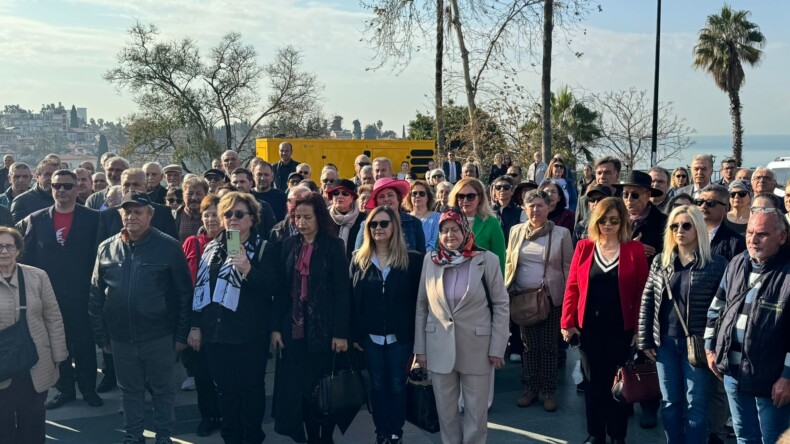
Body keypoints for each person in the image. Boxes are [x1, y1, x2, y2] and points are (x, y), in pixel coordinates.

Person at [89, 191, 193, 444]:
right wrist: (102, 336)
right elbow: (95, 295)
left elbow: (184, 295)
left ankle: (164, 436)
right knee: (129, 392)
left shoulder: (169, 247)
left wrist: (181, 335)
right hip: (121, 338)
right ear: (120, 214)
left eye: (138, 211)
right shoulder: (106, 247)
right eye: (128, 211)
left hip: (159, 337)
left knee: (163, 391)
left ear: (150, 214)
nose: (132, 216)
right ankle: (133, 436)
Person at [414, 209, 509, 444]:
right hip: (438, 347)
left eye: (454, 229)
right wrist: (420, 350)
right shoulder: (431, 260)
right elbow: (422, 306)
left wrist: (497, 347)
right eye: (444, 230)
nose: (449, 235)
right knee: (446, 412)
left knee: (476, 413)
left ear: (465, 231)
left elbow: (501, 304)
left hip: (478, 347)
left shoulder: (487, 260)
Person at [190, 192, 276, 444]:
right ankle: (232, 436)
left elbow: (271, 288)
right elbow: (200, 289)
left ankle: (252, 435)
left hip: (250, 334)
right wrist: (195, 325)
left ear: (252, 218)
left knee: (250, 389)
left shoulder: (263, 249)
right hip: (217, 332)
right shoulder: (211, 248)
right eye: (227, 214)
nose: (233, 218)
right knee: (226, 391)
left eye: (239, 214)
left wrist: (248, 269)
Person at [562, 197, 649, 444]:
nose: (608, 225)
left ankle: (618, 435)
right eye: (603, 220)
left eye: (613, 220)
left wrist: (638, 329)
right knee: (592, 383)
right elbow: (572, 287)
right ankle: (596, 433)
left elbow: (642, 291)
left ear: (622, 222)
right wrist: (567, 321)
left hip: (621, 329)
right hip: (589, 328)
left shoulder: (634, 250)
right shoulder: (584, 247)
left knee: (618, 383)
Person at [637, 205, 727, 444]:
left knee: (695, 404)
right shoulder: (661, 261)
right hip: (664, 343)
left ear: (698, 227)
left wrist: (713, 344)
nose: (680, 231)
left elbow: (722, 310)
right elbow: (648, 300)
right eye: (675, 226)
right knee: (669, 403)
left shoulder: (716, 264)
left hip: (696, 345)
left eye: (686, 225)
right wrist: (645, 338)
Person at [704, 209, 790, 444]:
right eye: (750, 232)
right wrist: (710, 347)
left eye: (762, 234)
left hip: (772, 377)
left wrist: (787, 376)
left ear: (781, 237)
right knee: (744, 436)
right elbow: (716, 307)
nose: (753, 239)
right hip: (732, 371)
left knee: (773, 439)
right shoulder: (737, 262)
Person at [271, 193, 351, 444]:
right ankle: (309, 436)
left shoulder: (333, 245)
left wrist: (341, 332)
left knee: (323, 389)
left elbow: (342, 292)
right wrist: (275, 328)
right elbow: (281, 291)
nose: (301, 222)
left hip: (324, 331)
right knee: (300, 390)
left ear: (319, 217)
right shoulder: (288, 244)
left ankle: (325, 437)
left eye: (307, 217)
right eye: (297, 217)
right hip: (293, 331)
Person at [19, 170, 102, 410]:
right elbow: (28, 259)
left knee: (84, 343)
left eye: (67, 186)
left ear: (77, 188)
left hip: (84, 293)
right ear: (50, 188)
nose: (62, 191)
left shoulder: (94, 218)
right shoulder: (36, 219)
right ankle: (65, 389)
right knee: (57, 344)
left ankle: (88, 389)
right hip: (49, 296)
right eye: (57, 186)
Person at [350, 206, 423, 444]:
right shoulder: (358, 260)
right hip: (370, 338)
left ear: (394, 227)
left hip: (400, 338)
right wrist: (355, 334)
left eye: (383, 223)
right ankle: (381, 432)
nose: (378, 228)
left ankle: (396, 432)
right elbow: (351, 301)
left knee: (396, 386)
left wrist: (418, 338)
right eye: (373, 224)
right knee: (378, 386)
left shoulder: (412, 260)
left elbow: (419, 302)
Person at [505, 190, 573, 411]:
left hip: (551, 298)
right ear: (525, 209)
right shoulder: (516, 231)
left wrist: (565, 299)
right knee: (529, 346)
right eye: (531, 205)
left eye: (540, 205)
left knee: (549, 346)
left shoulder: (561, 234)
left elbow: (567, 267)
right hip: (523, 298)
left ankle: (549, 391)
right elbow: (509, 261)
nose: (536, 210)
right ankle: (531, 388)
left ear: (548, 208)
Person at [0, 226, 67, 443]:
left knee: (34, 420)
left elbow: (53, 316)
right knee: (3, 423)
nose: (4, 251)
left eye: (9, 246)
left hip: (36, 362)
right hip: (3, 366)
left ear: (18, 250)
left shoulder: (37, 276)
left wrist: (58, 355)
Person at [355, 178, 426, 254]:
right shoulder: (367, 224)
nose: (386, 199)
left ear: (398, 198)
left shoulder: (414, 223)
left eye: (390, 195)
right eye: (381, 196)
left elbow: (422, 256)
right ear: (376, 202)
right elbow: (358, 256)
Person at [448, 178, 506, 271]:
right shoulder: (447, 222)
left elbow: (499, 260)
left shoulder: (492, 223)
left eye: (470, 196)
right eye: (461, 196)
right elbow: (438, 251)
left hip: (480, 280)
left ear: (480, 198)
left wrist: (498, 284)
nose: (465, 200)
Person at [616, 170, 668, 265]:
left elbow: (668, 255)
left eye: (635, 195)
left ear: (648, 195)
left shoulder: (663, 222)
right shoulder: (614, 219)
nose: (629, 199)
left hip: (649, 276)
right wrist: (629, 249)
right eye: (625, 194)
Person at [697, 185, 746, 262]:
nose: (703, 206)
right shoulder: (687, 234)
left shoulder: (737, 243)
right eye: (699, 202)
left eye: (711, 203)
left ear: (726, 208)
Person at [574, 156, 622, 227]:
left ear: (617, 176)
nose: (602, 177)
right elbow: (577, 230)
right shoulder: (584, 200)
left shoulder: (625, 200)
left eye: (607, 173)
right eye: (599, 173)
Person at [327, 179, 366, 259]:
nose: (340, 196)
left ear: (352, 198)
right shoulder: (324, 217)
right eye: (336, 193)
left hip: (354, 265)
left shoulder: (363, 219)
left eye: (345, 193)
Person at [11, 159, 57, 223]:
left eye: (55, 175)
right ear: (37, 177)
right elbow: (16, 231)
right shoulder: (22, 201)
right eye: (47, 174)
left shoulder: (68, 198)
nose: (51, 178)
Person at [402, 179, 440, 252]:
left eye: (421, 193)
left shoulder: (437, 217)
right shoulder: (404, 218)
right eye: (414, 193)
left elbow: (434, 243)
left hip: (429, 258)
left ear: (428, 197)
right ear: (410, 197)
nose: (417, 196)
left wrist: (420, 256)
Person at [173, 177, 208, 244]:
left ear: (206, 196)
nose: (194, 198)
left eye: (198, 194)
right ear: (183, 196)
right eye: (190, 194)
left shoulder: (213, 217)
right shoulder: (174, 216)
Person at [490, 175, 523, 244]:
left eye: (506, 187)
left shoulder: (521, 212)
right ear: (495, 191)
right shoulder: (488, 211)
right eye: (498, 187)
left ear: (512, 190)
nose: (502, 190)